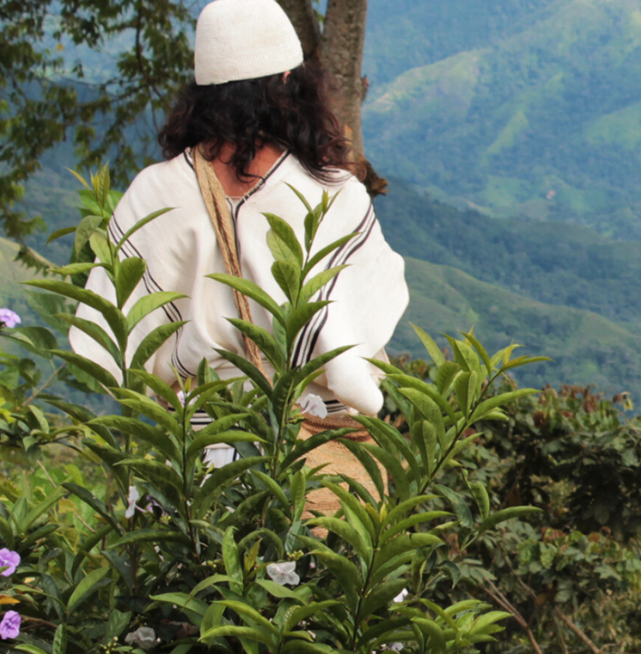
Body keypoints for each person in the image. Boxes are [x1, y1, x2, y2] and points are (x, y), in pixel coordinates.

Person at [69, 0, 408, 468]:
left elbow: (111, 338)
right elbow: (368, 322)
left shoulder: (155, 191)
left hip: (197, 449)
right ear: (290, 82)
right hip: (310, 446)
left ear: (202, 92)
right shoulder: (332, 194)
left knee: (192, 519)